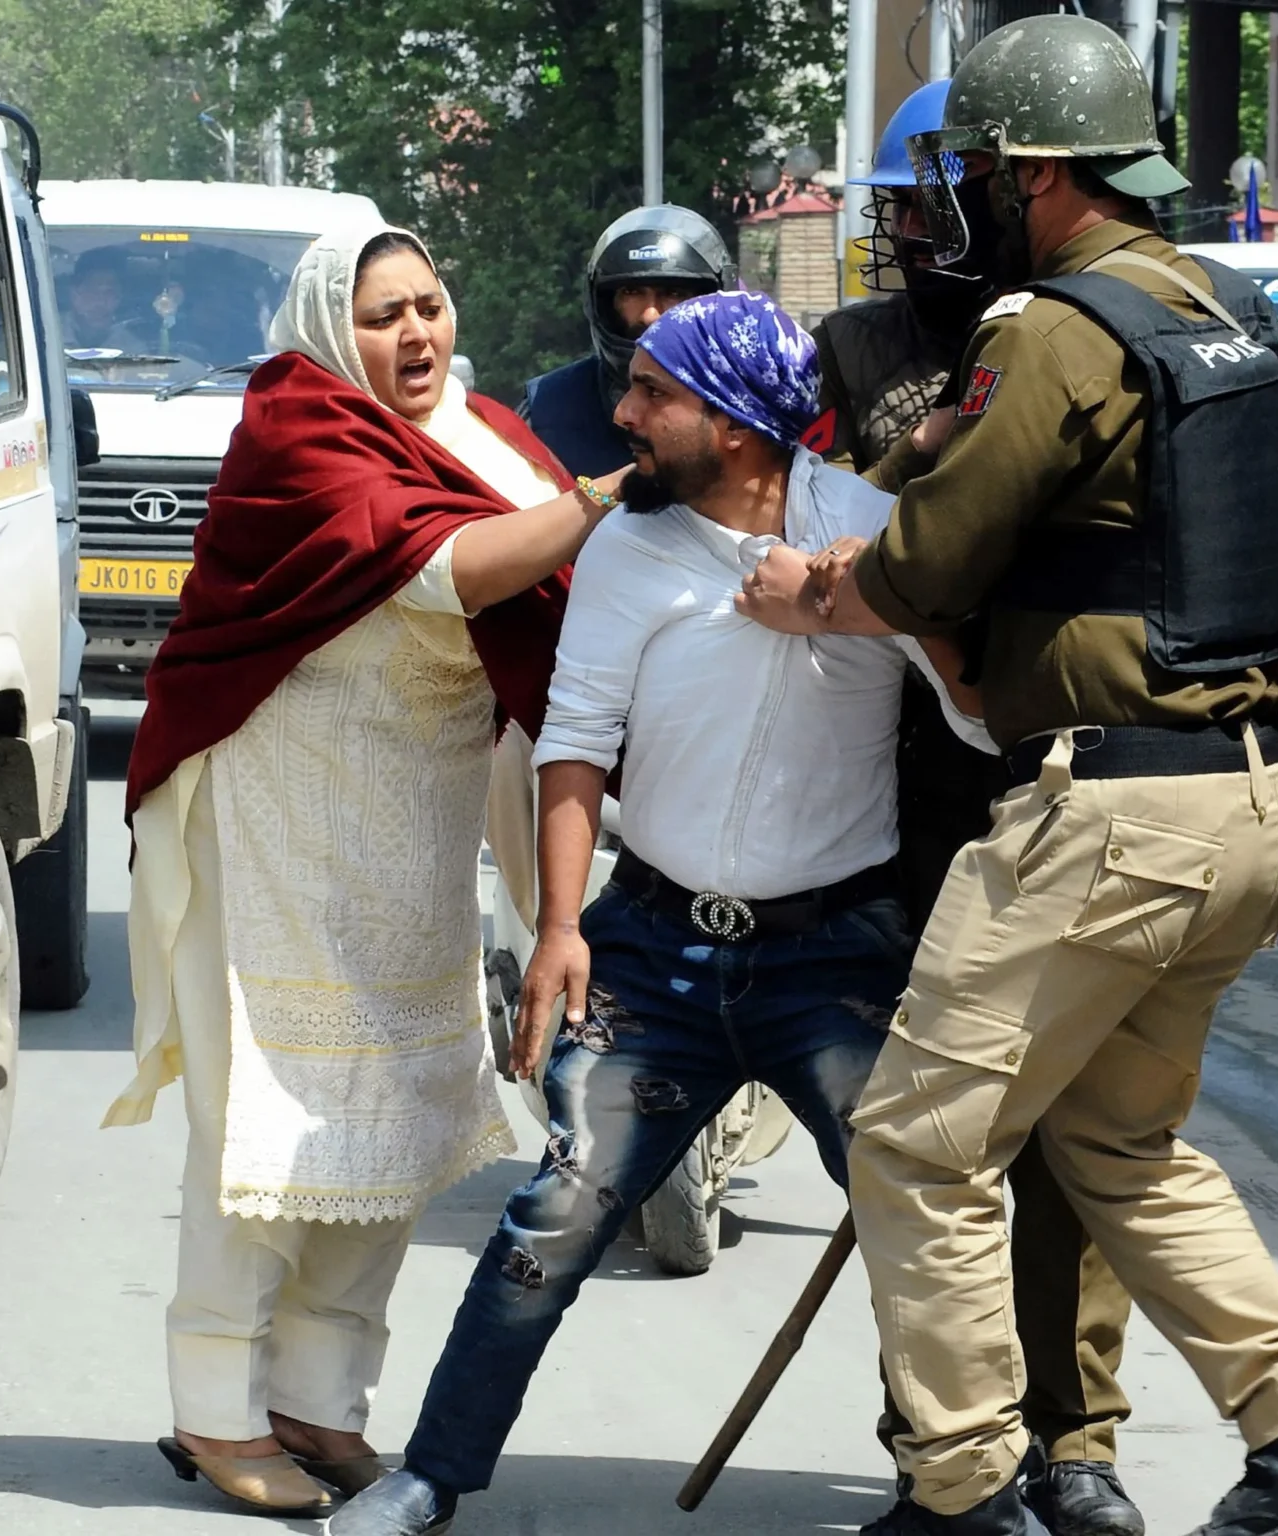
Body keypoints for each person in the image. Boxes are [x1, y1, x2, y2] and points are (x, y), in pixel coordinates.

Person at [740, 18, 1278, 1536]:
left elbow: (923, 568)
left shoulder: (1048, 328)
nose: (962, 197)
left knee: (915, 1142)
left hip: (1107, 816)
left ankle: (966, 1487)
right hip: (1245, 801)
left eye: (976, 169)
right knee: (1113, 1145)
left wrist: (808, 590)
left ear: (1036, 174)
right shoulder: (1220, 307)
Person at [333, 291, 990, 1536]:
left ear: (734, 425)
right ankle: (433, 1475)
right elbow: (575, 739)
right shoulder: (626, 550)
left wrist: (855, 603)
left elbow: (979, 715)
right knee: (550, 1222)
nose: (624, 413)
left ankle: (955, 1487)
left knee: (920, 1228)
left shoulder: (870, 536)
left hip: (834, 963)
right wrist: (560, 929)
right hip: (651, 953)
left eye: (652, 394)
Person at [109, 224, 621, 1517]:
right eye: (383, 314)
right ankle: (215, 1407)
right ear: (332, 328)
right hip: (278, 823)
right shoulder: (302, 429)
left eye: (429, 306)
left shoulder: (484, 434)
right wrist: (604, 500)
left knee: (388, 1116)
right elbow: (454, 572)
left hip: (408, 833)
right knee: (269, 1120)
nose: (415, 334)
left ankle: (319, 1402)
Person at [817, 80, 1146, 1536]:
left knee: (1077, 1130)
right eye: (891, 205)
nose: (903, 228)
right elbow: (816, 532)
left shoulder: (1101, 328)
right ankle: (941, 1447)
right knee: (928, 1139)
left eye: (921, 199)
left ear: (1000, 189)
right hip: (911, 797)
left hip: (1083, 768)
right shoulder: (855, 351)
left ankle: (1076, 1442)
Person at [517, 203, 732, 477]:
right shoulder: (547, 408)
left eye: (675, 293)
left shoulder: (749, 403)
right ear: (604, 302)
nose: (650, 315)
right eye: (632, 292)